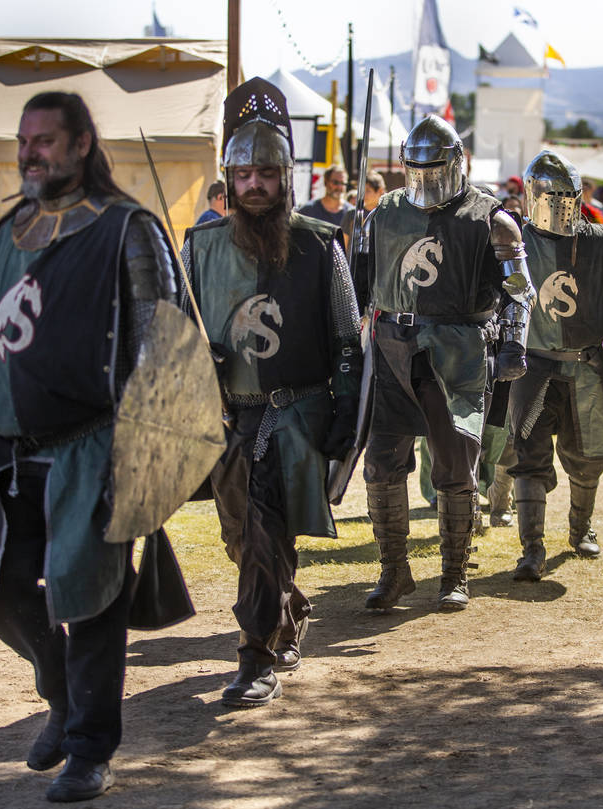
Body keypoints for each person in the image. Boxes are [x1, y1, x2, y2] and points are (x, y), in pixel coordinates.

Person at [0, 92, 189, 801]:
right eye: (24, 140)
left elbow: (167, 348)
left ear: (83, 144)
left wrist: (148, 459)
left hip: (95, 446)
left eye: (45, 140)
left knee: (91, 603)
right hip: (9, 448)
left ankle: (90, 748)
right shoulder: (11, 229)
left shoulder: (128, 230)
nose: (30, 152)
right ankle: (59, 697)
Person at [182, 78, 362, 705]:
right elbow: (180, 335)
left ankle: (255, 655)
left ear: (285, 176)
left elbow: (346, 339)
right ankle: (286, 609)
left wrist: (344, 417)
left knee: (262, 530)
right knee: (246, 538)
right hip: (231, 416)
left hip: (298, 412)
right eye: (243, 173)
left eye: (266, 171)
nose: (254, 183)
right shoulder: (200, 248)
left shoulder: (318, 245)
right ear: (227, 179)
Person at [359, 114, 535, 611]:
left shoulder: (492, 218)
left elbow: (520, 292)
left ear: (457, 162)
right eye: (416, 166)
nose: (426, 176)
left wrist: (513, 345)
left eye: (434, 165)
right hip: (393, 345)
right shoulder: (384, 214)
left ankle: (454, 572)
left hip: (457, 348)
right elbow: (359, 286)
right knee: (380, 463)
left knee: (455, 465)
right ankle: (394, 570)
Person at [508, 151, 603, 580]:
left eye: (567, 196)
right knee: (528, 456)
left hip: (586, 366)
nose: (560, 204)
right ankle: (531, 549)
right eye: (552, 196)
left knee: (589, 454)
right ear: (534, 195)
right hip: (531, 367)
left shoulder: (601, 242)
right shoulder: (514, 240)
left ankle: (580, 528)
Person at [340, 170, 386, 260]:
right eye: (361, 190)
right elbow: (342, 245)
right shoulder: (352, 214)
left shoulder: (385, 215)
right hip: (353, 267)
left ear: (380, 191)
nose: (363, 194)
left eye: (368, 190)